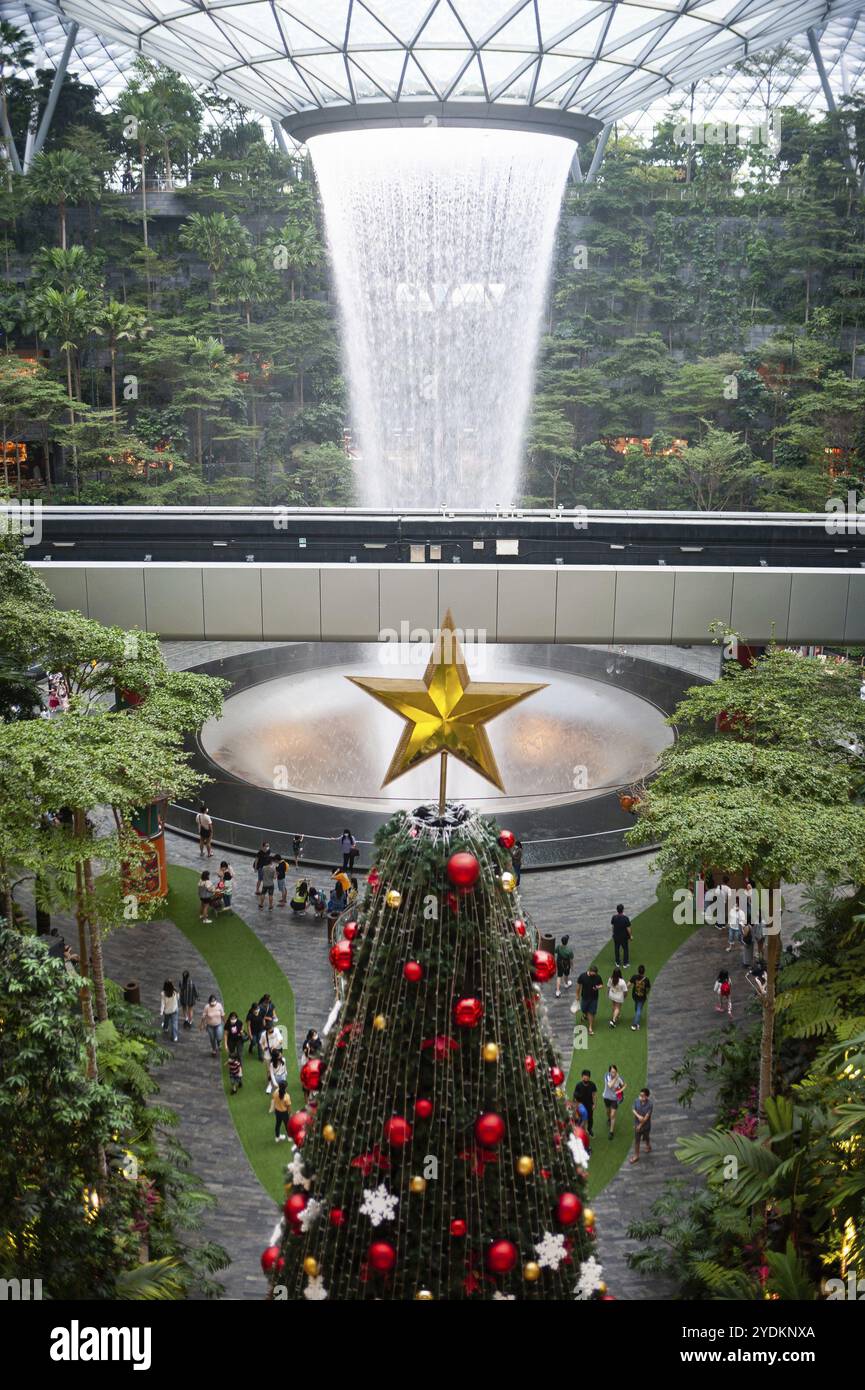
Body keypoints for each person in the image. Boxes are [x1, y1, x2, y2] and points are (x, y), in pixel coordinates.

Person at [574, 964, 602, 1036]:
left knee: (591, 1012)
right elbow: (578, 986)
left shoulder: (597, 977)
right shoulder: (583, 976)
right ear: (589, 971)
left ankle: (590, 1028)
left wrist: (598, 987)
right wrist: (577, 995)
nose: (594, 975)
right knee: (583, 1009)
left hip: (594, 998)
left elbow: (601, 985)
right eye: (593, 974)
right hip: (585, 997)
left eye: (595, 974)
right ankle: (585, 1015)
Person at [630, 1087, 653, 1163]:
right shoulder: (636, 1101)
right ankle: (636, 1155)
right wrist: (638, 1116)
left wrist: (640, 1125)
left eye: (642, 1096)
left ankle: (648, 1145)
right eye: (640, 1095)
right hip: (637, 1125)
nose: (640, 1097)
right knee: (637, 1141)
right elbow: (633, 1109)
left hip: (646, 1126)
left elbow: (646, 1117)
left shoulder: (650, 1104)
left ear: (646, 1096)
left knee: (646, 1137)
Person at [603, 1064, 626, 1139]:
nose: (614, 1074)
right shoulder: (607, 1076)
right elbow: (609, 1085)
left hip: (614, 1099)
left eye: (615, 1072)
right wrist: (616, 1078)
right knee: (608, 1112)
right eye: (612, 1072)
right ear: (609, 1072)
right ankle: (609, 1119)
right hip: (606, 1097)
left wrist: (619, 1091)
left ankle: (611, 1132)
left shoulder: (619, 1078)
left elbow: (624, 1085)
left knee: (613, 1114)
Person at [573, 1069, 597, 1138]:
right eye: (584, 1076)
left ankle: (589, 1130)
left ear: (589, 1077)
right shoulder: (578, 1085)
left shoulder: (592, 1085)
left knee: (590, 1119)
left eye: (587, 1076)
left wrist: (594, 1104)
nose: (586, 1078)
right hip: (581, 1106)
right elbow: (574, 1097)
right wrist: (577, 1106)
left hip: (589, 1105)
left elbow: (594, 1095)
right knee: (581, 1119)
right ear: (582, 1077)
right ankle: (581, 1132)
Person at [629, 965, 651, 1031]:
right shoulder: (646, 980)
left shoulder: (634, 977)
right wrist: (646, 994)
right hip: (642, 996)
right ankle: (636, 1022)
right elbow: (647, 989)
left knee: (637, 1007)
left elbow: (628, 984)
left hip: (635, 995)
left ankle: (636, 1021)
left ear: (638, 970)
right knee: (639, 1009)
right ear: (644, 972)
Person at [611, 904, 632, 969]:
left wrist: (613, 933)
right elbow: (628, 928)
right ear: (623, 910)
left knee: (616, 949)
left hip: (616, 936)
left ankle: (617, 962)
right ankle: (625, 963)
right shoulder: (625, 918)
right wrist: (630, 936)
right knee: (625, 949)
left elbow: (613, 926)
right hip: (624, 937)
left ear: (617, 910)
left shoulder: (614, 917)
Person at [554, 934, 574, 998]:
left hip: (559, 963)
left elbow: (555, 951)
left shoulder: (558, 947)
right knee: (566, 974)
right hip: (566, 964)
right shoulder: (569, 950)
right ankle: (566, 984)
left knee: (559, 976)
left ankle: (557, 991)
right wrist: (572, 966)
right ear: (567, 942)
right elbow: (571, 960)